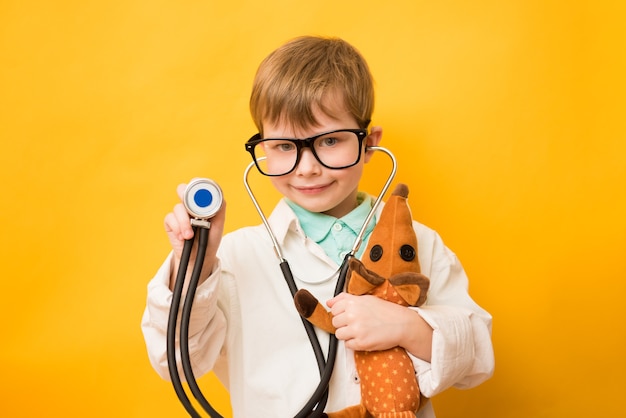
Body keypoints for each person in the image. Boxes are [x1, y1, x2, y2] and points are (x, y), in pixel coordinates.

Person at [141, 35, 494, 417]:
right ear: (263, 147)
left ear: (369, 143)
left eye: (328, 141)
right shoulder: (234, 258)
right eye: (284, 146)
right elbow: (175, 362)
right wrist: (196, 266)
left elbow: (477, 357)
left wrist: (409, 327)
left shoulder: (418, 243)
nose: (307, 167)